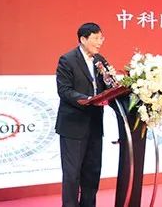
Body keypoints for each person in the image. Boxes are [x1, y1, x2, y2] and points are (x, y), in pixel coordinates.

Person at [55, 22, 108, 207]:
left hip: (95, 124)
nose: (100, 42)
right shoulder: (67, 60)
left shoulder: (100, 60)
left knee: (92, 172)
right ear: (83, 39)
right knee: (72, 174)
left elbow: (109, 84)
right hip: (73, 126)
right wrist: (87, 99)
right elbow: (64, 90)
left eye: (101, 38)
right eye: (96, 38)